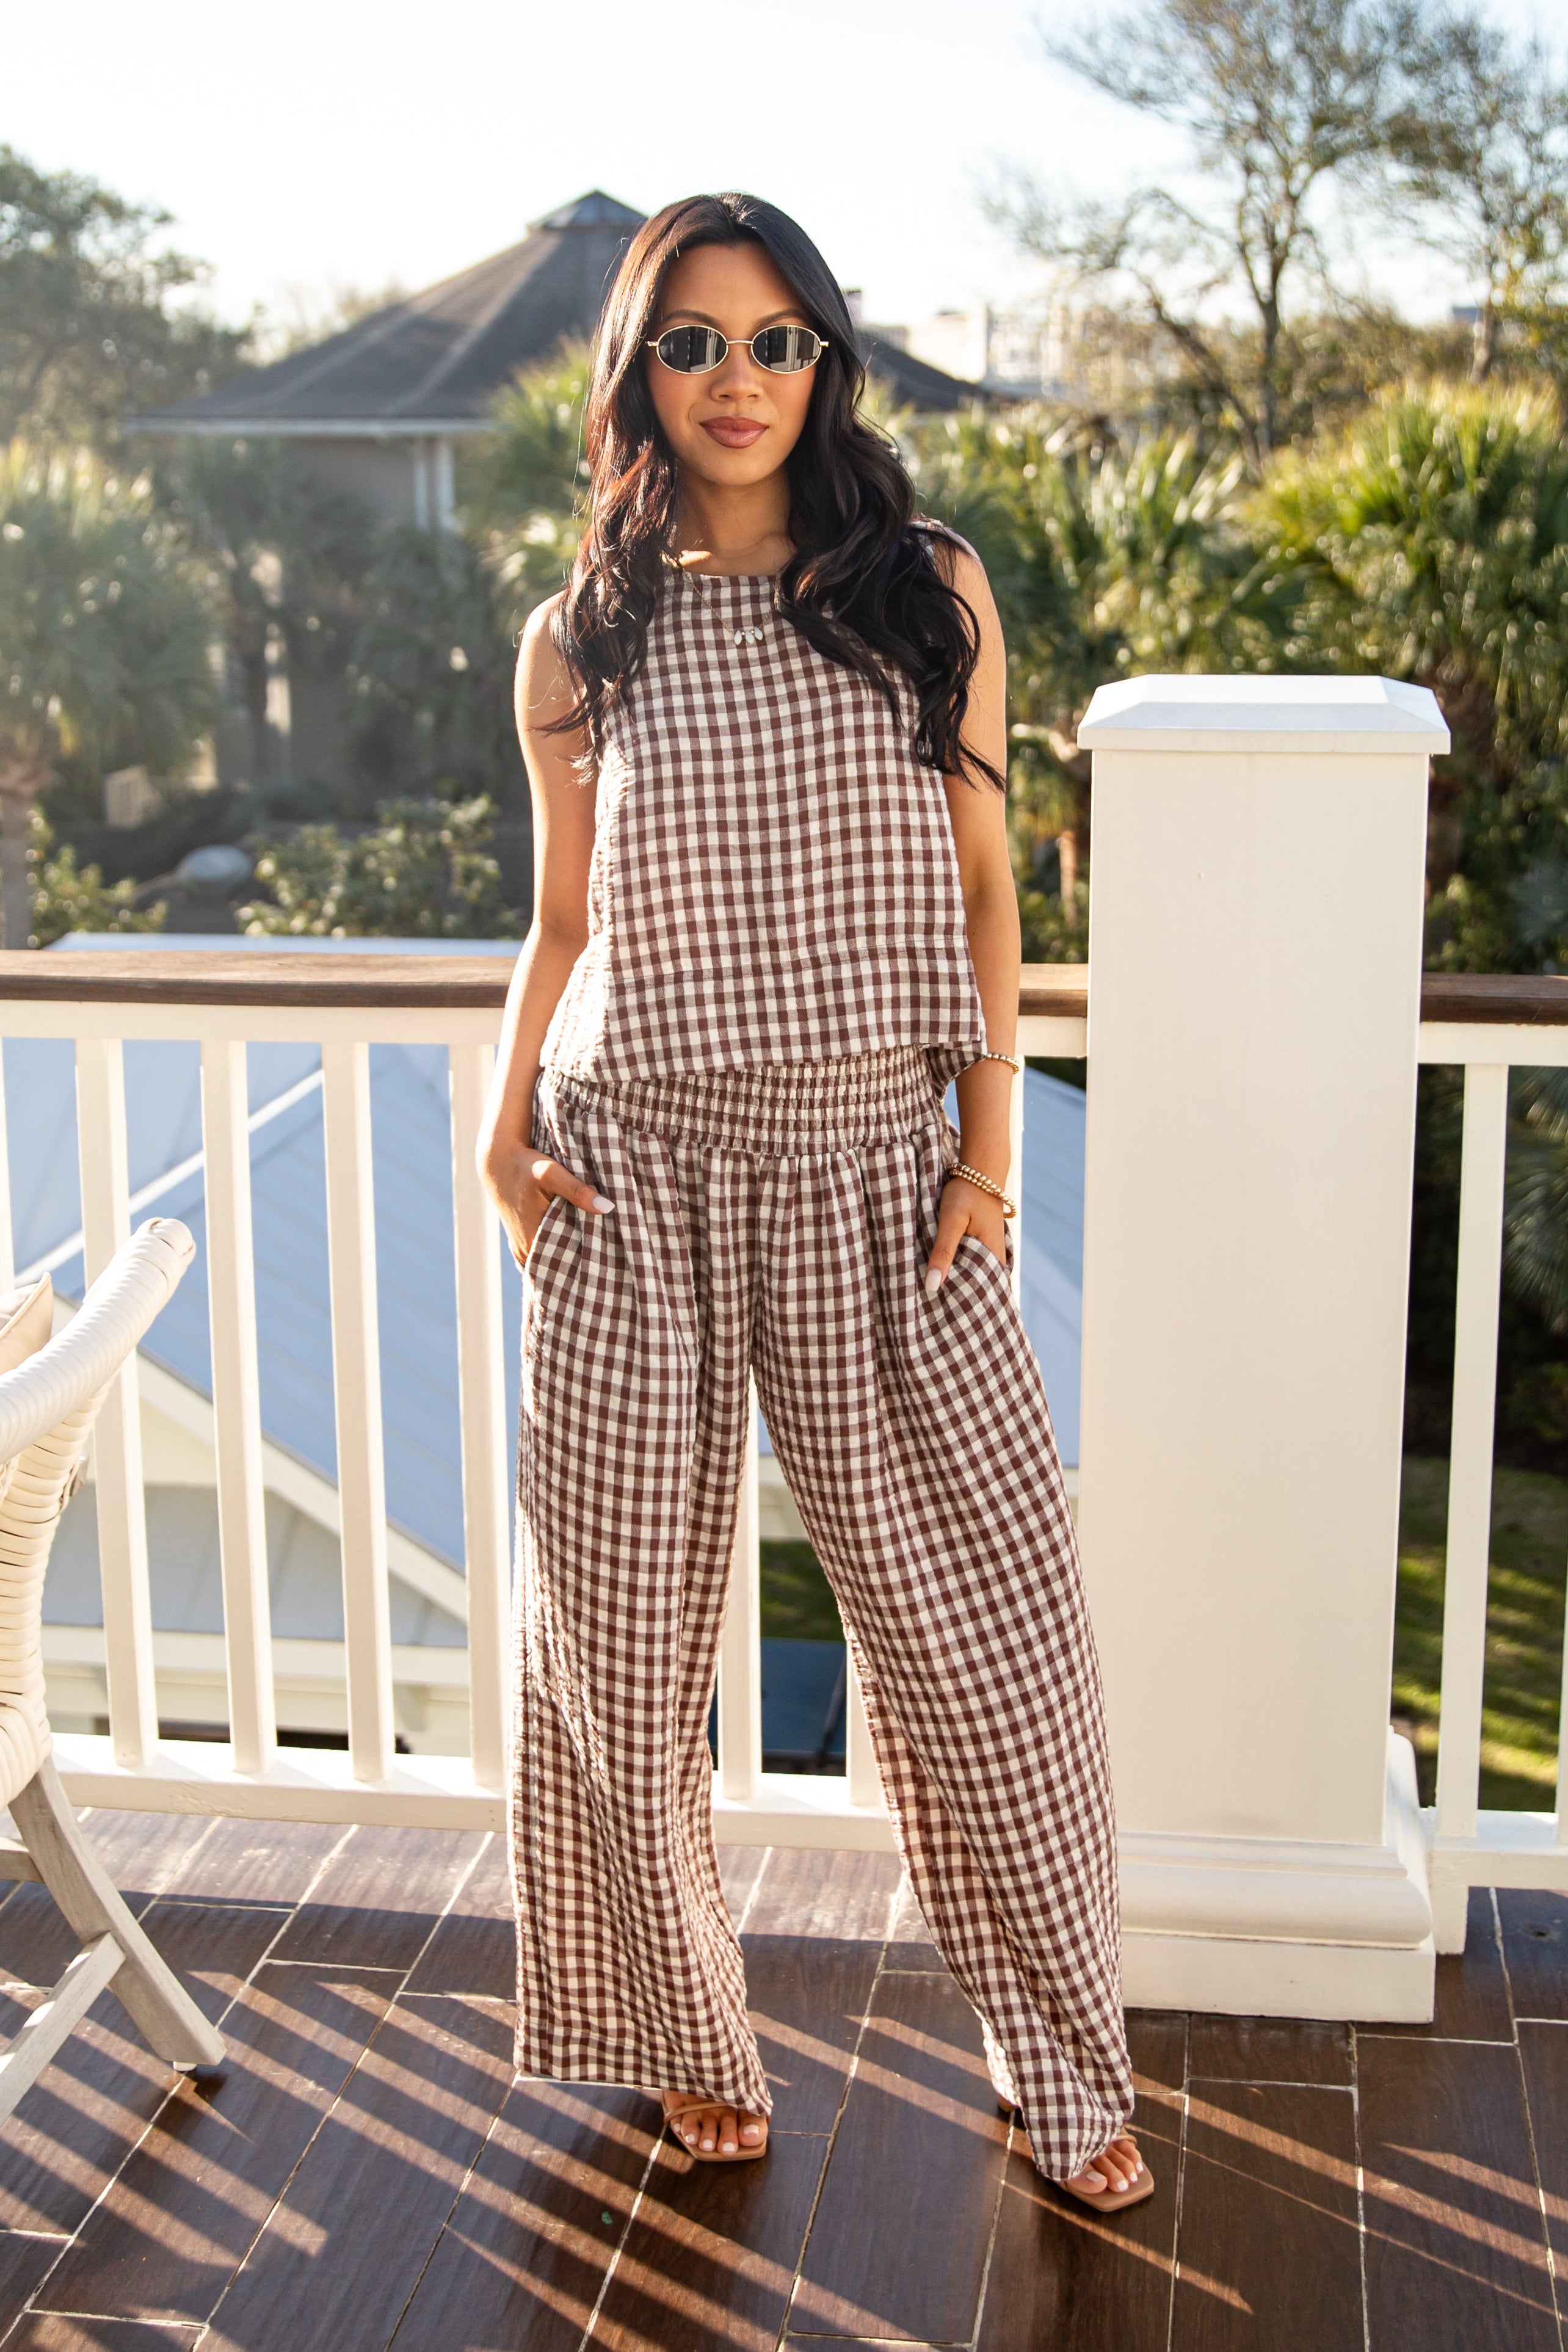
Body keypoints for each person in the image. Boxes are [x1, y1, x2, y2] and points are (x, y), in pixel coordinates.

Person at [477, 191, 1148, 2210]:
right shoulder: (580, 632)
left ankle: (1067, 2056)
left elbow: (987, 889)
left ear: (826, 360)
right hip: (634, 1177)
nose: (739, 380)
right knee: (605, 1647)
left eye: (776, 341)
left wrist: (987, 1155)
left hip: (882, 1179)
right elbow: (563, 919)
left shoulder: (924, 587)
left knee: (994, 1653)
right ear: (638, 372)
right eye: (693, 342)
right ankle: (684, 2035)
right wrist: (496, 1138)